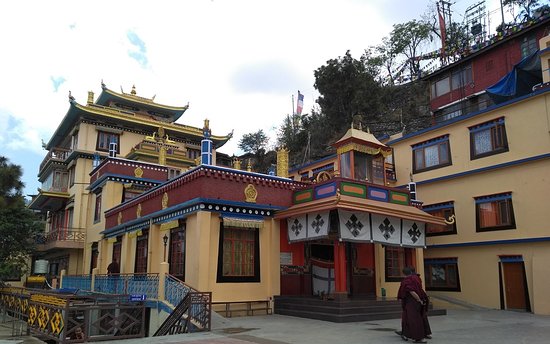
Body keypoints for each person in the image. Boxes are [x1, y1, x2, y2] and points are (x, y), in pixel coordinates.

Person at [396, 266, 430, 343]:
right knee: (411, 318)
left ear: (403, 273)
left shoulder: (407, 280)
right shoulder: (416, 278)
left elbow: (411, 291)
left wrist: (418, 300)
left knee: (414, 319)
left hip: (412, 302)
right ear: (411, 272)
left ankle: (419, 337)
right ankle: (407, 333)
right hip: (418, 299)